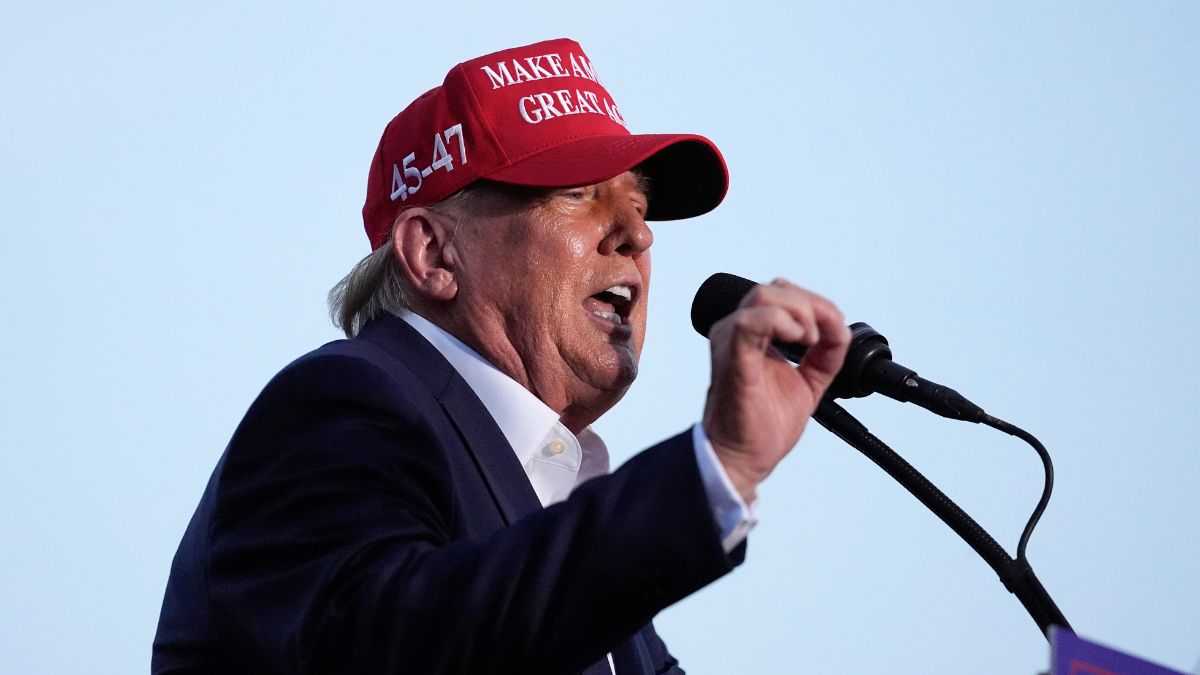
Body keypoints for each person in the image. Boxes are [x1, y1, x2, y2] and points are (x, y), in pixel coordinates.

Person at [152, 37, 850, 674]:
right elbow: (388, 644)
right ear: (432, 253)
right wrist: (715, 467)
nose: (636, 234)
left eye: (637, 204)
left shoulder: (560, 509)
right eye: (576, 194)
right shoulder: (345, 401)